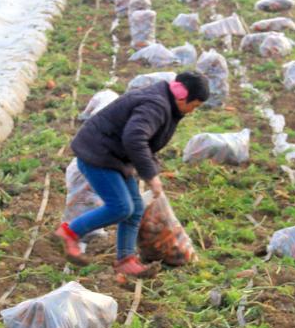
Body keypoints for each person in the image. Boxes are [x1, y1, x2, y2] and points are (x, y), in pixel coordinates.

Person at [56, 72, 209, 277]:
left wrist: (152, 168)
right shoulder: (156, 105)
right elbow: (135, 139)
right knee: (121, 207)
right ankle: (69, 233)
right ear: (182, 96)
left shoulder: (166, 103)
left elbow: (144, 143)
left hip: (115, 157)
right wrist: (150, 176)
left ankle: (126, 260)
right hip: (98, 154)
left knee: (135, 208)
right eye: (195, 105)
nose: (192, 111)